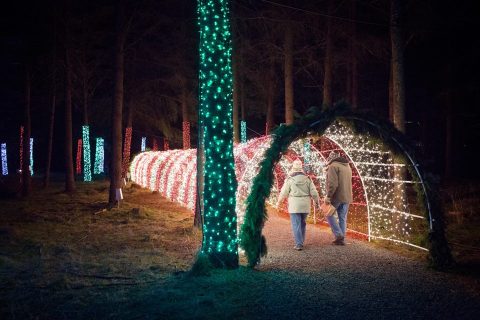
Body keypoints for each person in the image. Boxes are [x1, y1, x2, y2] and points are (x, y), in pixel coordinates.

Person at [276, 159, 320, 251]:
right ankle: (301, 241)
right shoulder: (308, 179)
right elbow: (314, 192)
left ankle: (299, 244)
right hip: (305, 204)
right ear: (301, 168)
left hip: (294, 205)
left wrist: (279, 202)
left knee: (296, 224)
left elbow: (284, 192)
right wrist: (317, 202)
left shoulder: (290, 179)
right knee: (302, 223)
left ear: (293, 168)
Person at [324, 152, 353, 245]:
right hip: (347, 197)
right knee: (342, 218)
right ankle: (341, 240)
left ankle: (338, 234)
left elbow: (332, 184)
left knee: (328, 214)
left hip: (337, 196)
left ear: (330, 159)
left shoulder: (333, 166)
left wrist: (328, 197)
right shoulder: (347, 166)